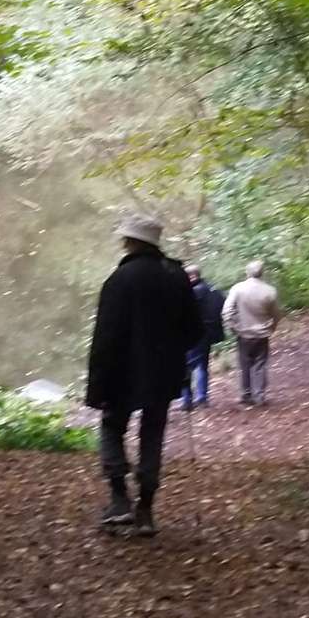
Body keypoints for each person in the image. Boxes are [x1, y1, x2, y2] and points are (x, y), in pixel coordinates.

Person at [84, 213, 199, 538]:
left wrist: (96, 384)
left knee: (112, 427)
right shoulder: (176, 276)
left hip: (121, 373)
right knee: (153, 433)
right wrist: (173, 354)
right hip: (163, 374)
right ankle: (146, 509)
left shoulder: (119, 280)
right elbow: (194, 329)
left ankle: (119, 499)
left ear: (129, 242)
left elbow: (105, 336)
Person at [220, 257, 281, 406]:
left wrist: (233, 327)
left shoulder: (238, 289)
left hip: (243, 333)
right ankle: (259, 395)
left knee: (244, 364)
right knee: (260, 364)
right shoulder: (270, 291)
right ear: (262, 273)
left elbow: (227, 311)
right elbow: (276, 315)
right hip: (262, 334)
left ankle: (246, 394)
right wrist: (271, 328)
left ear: (247, 272)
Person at [183, 263, 226, 409]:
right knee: (202, 365)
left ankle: (187, 400)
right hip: (208, 334)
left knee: (186, 367)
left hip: (191, 334)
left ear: (192, 276)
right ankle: (201, 397)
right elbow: (222, 307)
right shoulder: (213, 289)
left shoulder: (190, 293)